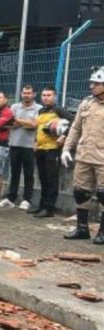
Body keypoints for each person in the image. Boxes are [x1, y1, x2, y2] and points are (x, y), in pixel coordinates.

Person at [63, 67, 104, 243]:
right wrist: (66, 148)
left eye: (96, 83)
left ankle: (102, 232)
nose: (92, 86)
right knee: (80, 192)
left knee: (103, 195)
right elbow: (76, 128)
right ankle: (82, 228)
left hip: (103, 158)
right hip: (84, 156)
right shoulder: (86, 103)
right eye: (92, 83)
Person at [29, 86, 69, 218]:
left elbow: (73, 123)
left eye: (49, 95)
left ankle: (49, 208)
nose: (46, 97)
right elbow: (39, 128)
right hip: (40, 149)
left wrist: (64, 137)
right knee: (43, 178)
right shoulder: (40, 111)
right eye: (44, 95)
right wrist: (35, 141)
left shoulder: (59, 110)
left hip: (52, 150)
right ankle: (42, 205)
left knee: (51, 179)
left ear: (55, 97)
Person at [1, 85, 41, 210]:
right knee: (14, 172)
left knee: (29, 173)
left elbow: (35, 125)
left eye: (29, 93)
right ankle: (11, 198)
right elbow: (9, 125)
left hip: (30, 145)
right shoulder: (14, 107)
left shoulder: (39, 108)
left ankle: (26, 199)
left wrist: (18, 120)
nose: (26, 95)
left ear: (34, 94)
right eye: (24, 93)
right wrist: (26, 123)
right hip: (14, 143)